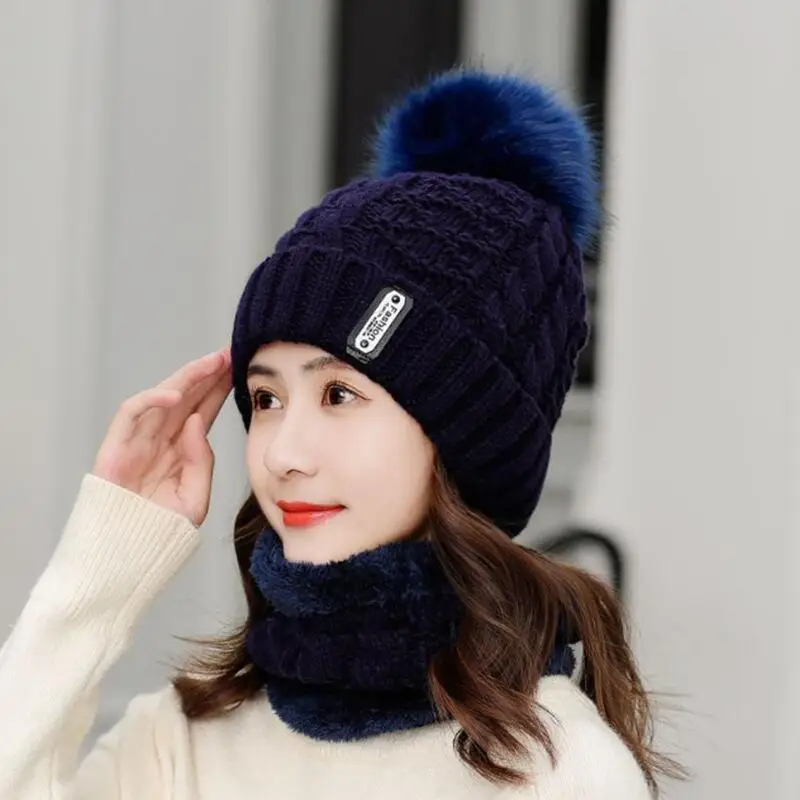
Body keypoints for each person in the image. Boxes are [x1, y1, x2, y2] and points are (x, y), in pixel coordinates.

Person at [0, 69, 682, 798]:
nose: (283, 454)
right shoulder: (182, 739)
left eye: (338, 394)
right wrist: (101, 567)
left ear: (467, 436)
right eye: (266, 398)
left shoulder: (558, 772)